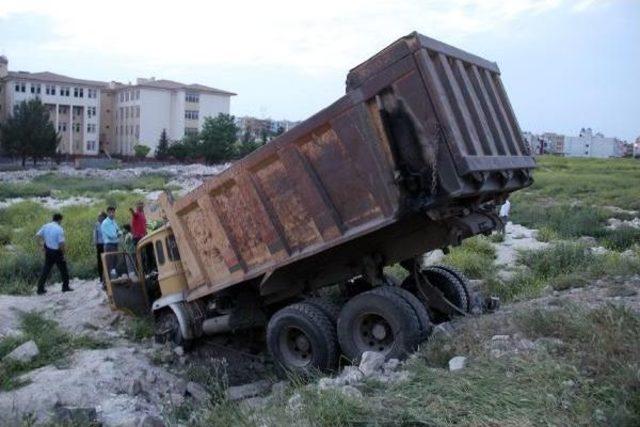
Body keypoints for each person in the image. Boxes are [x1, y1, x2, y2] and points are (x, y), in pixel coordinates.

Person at [35, 213, 72, 294]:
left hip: (48, 250)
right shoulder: (59, 229)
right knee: (63, 270)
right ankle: (65, 287)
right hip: (57, 252)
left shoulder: (45, 226)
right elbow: (61, 244)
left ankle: (40, 289)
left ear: (53, 218)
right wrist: (64, 254)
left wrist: (41, 246)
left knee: (46, 270)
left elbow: (37, 236)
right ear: (59, 220)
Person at [93, 212, 107, 283]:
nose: (98, 218)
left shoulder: (107, 223)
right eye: (98, 216)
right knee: (100, 261)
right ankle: (101, 277)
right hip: (100, 245)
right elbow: (95, 234)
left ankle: (107, 276)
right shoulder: (97, 224)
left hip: (106, 244)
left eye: (100, 216)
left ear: (104, 217)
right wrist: (95, 243)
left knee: (107, 260)